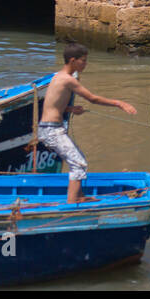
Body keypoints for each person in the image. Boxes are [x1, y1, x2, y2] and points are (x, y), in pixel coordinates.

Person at [39, 43, 137, 204]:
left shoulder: (58, 77)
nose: (85, 64)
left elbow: (53, 104)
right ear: (72, 61)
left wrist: (70, 109)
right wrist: (119, 103)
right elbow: (92, 98)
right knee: (78, 163)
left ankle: (80, 196)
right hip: (51, 130)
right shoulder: (67, 80)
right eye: (83, 61)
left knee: (79, 160)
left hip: (51, 128)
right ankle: (72, 203)